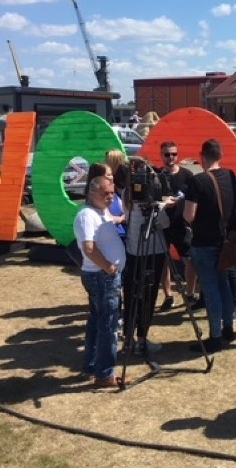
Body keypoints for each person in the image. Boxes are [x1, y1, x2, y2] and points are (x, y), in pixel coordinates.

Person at [183, 139, 236, 353]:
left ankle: (215, 336)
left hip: (204, 241)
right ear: (220, 155)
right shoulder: (230, 176)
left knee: (210, 290)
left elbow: (189, 215)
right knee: (224, 286)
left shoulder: (197, 181)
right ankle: (228, 327)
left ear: (202, 156)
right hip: (226, 241)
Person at [73, 176, 129, 387]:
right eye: (105, 193)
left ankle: (92, 365)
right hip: (102, 276)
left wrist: (122, 218)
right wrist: (109, 267)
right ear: (91, 193)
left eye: (112, 192)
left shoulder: (101, 212)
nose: (110, 196)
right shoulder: (87, 215)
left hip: (103, 275)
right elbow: (89, 248)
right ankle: (105, 374)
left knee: (98, 321)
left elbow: (110, 223)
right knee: (109, 324)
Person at [123, 157, 171, 355]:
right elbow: (164, 223)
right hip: (153, 250)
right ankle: (141, 339)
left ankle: (128, 339)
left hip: (133, 250)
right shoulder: (153, 193)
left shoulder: (127, 193)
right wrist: (163, 205)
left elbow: (127, 218)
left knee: (132, 294)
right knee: (148, 295)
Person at [155, 141, 195, 311]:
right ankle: (168, 296)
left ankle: (190, 294)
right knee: (163, 262)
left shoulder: (187, 175)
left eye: (173, 154)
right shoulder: (157, 176)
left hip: (181, 224)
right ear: (161, 155)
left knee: (189, 260)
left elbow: (195, 198)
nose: (170, 157)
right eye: (167, 154)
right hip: (163, 225)